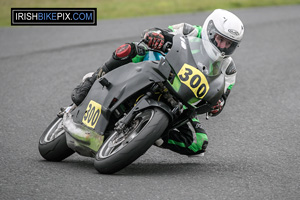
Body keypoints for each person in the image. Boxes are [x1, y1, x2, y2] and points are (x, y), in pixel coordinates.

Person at [71, 9, 244, 156]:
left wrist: (218, 105)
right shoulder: (189, 30)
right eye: (220, 39)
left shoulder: (228, 69)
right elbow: (158, 32)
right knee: (133, 49)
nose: (222, 46)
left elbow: (222, 96)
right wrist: (156, 36)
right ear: (210, 30)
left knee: (199, 143)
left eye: (229, 44)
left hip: (182, 103)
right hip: (159, 71)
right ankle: (94, 78)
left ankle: (152, 134)